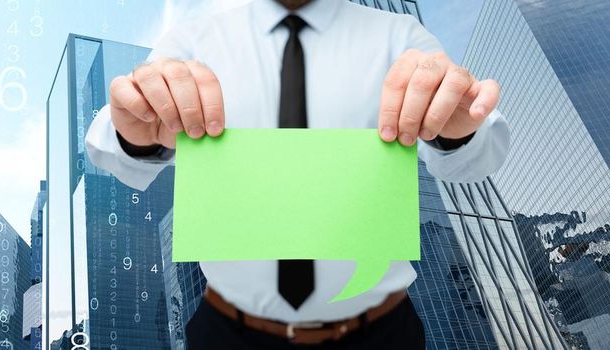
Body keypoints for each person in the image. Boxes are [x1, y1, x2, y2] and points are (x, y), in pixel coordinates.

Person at [84, 0, 510, 348]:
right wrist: (137, 134)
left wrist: (457, 130)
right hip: (228, 334)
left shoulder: (400, 35)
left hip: (382, 332)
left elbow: (479, 158)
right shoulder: (193, 40)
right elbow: (109, 145)